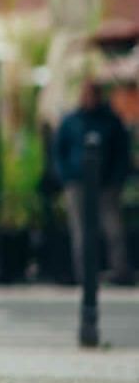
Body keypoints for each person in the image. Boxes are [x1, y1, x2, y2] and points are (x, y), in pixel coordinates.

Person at [53, 79, 133, 285]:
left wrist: (116, 179)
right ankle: (85, 275)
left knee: (113, 228)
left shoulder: (111, 121)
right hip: (77, 182)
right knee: (80, 231)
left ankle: (120, 271)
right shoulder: (70, 121)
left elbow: (122, 152)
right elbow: (59, 151)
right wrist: (67, 176)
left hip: (106, 184)